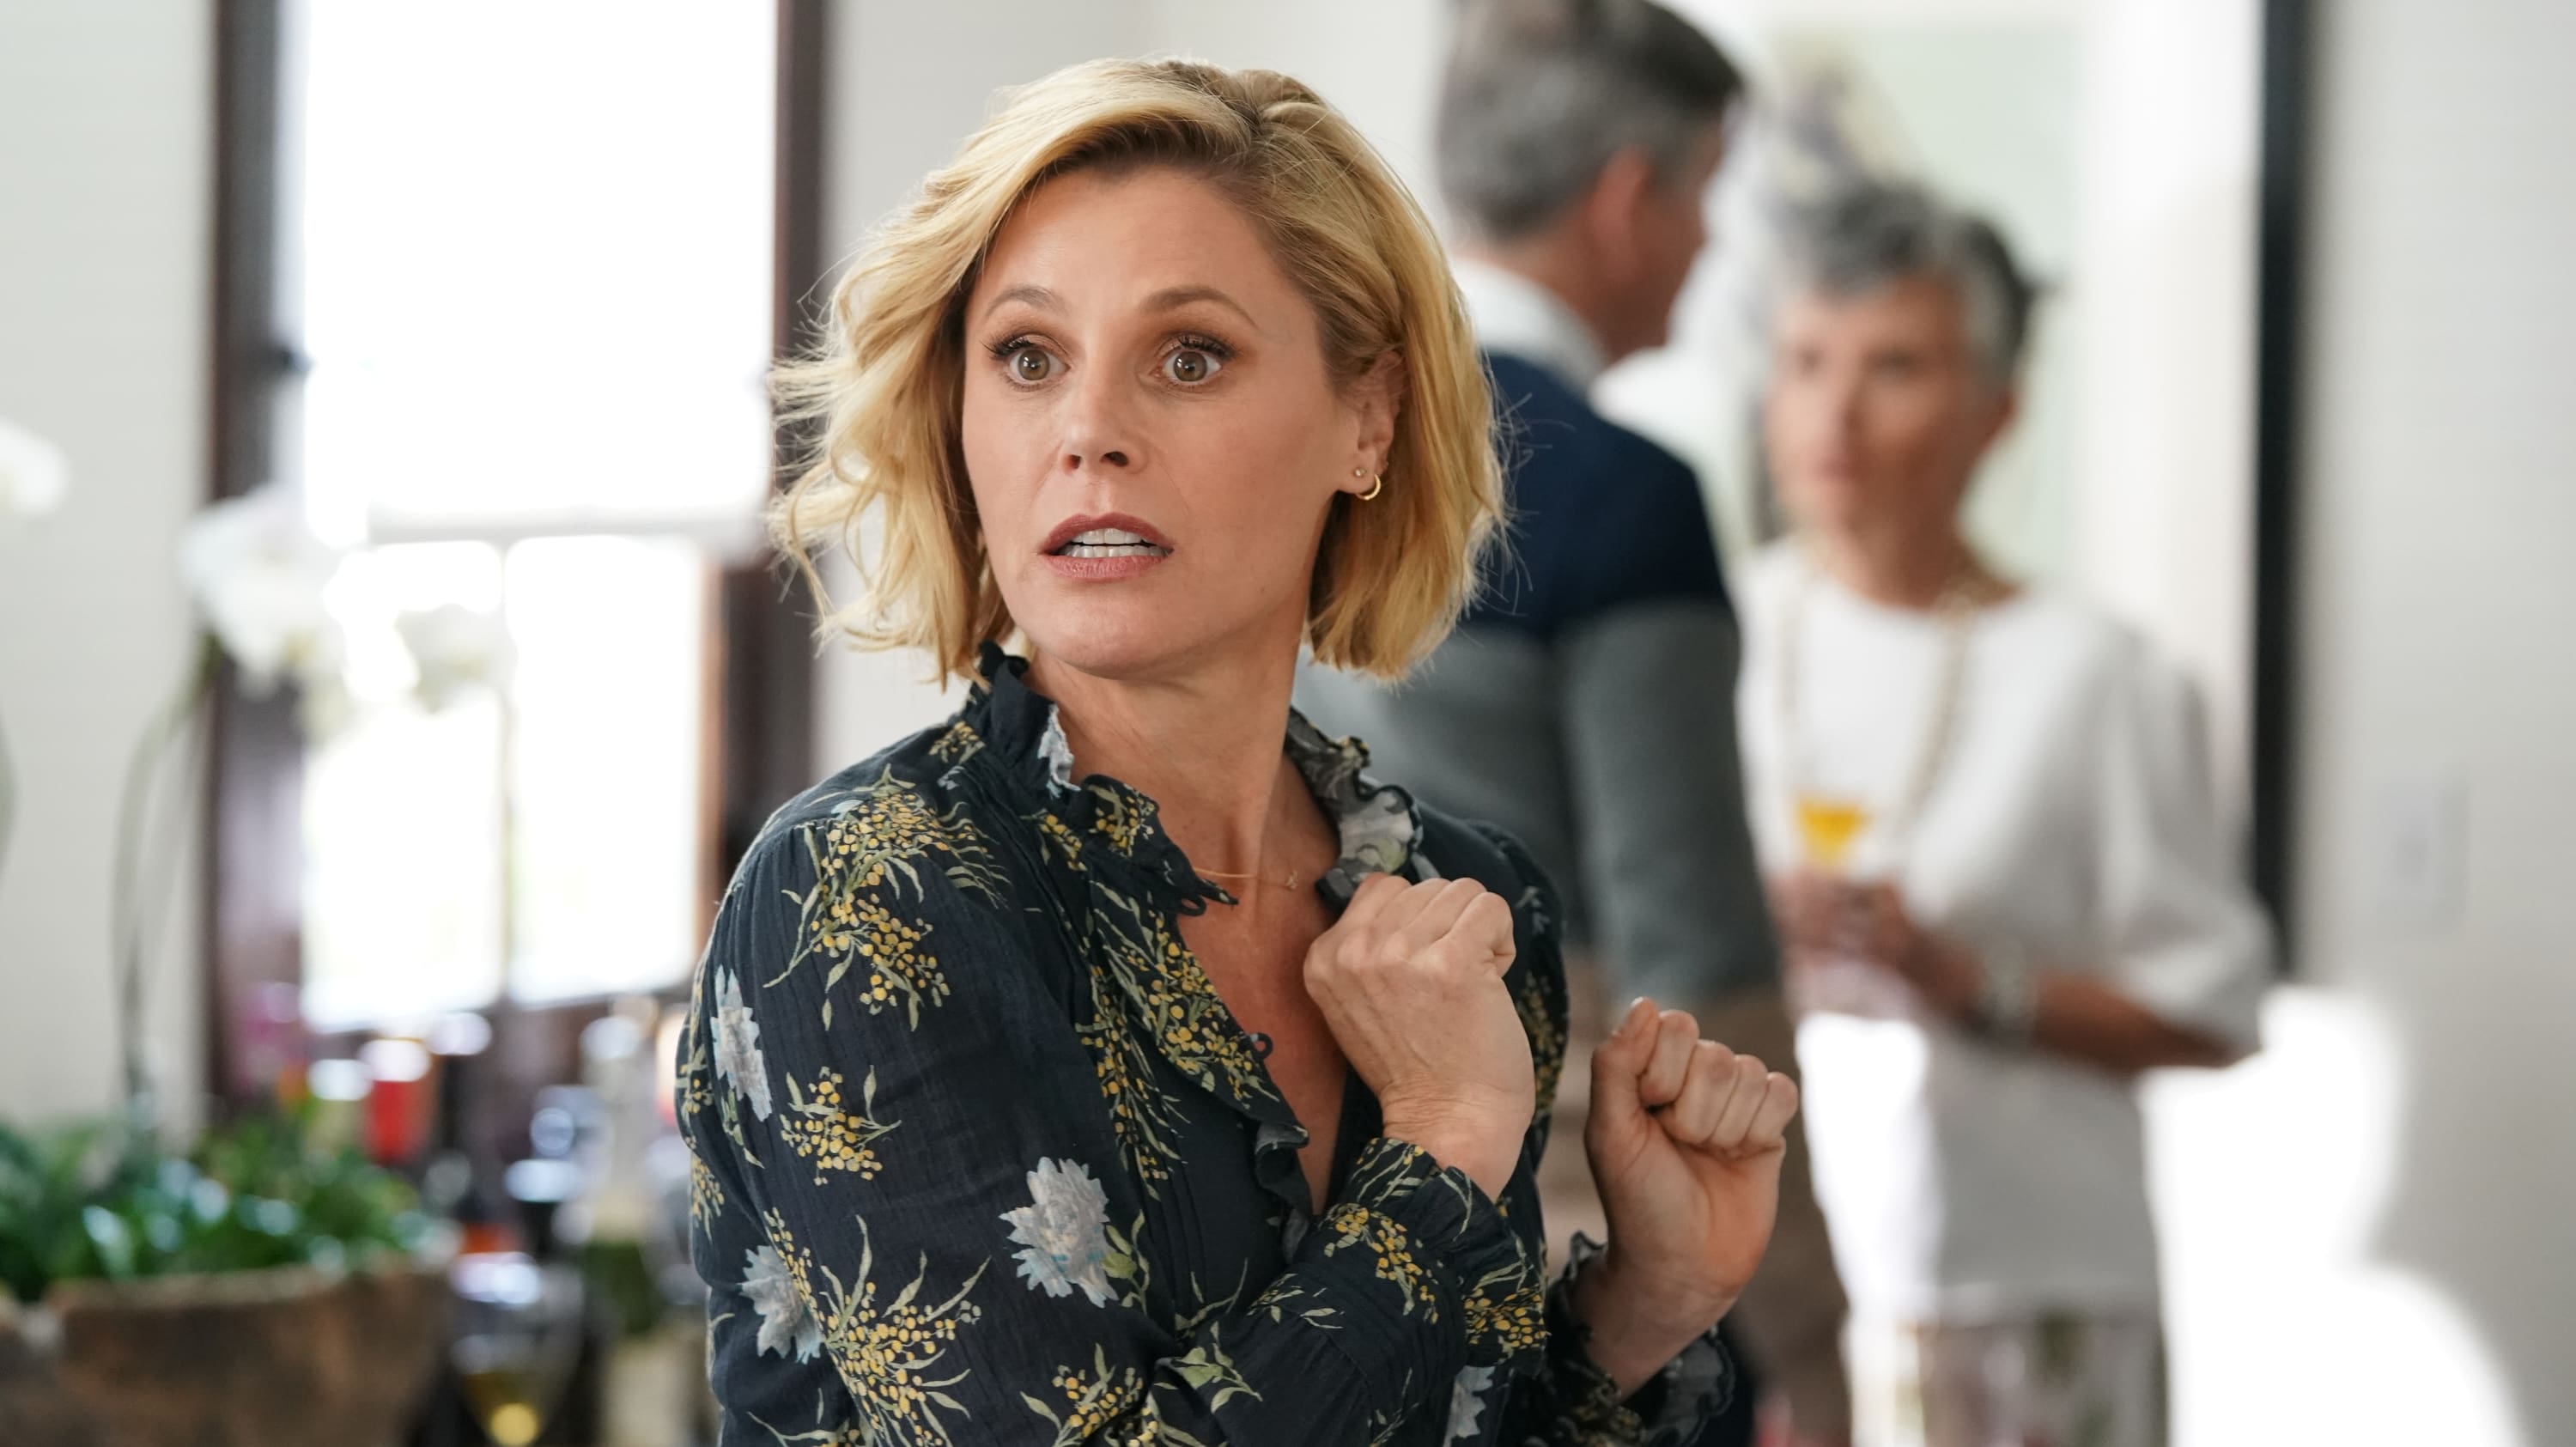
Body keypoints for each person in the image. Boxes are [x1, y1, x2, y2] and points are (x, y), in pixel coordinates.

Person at [677, 58, 1804, 1446]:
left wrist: (1643, 1304)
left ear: (1368, 417)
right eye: (1027, 357)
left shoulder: (1463, 912)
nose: (1089, 432)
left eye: (1189, 357)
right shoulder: (864, 895)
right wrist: (1444, 1141)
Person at [1296, 3, 1853, 1441]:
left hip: (1314, 1224)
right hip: (1574, 1239)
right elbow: (1693, 946)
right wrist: (1802, 1327)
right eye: (1706, 193)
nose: (1710, 245)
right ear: (1627, 197)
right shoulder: (1617, 494)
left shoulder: (1294, 441)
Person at [1737, 179, 2272, 1447]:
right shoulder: (1717, 633)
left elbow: (2215, 1008)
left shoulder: (2096, 674)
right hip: (1767, 1272)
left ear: (1998, 410)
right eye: (1806, 360)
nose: (1834, 412)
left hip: (2034, 1286)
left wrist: (1968, 980)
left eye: (1894, 366)